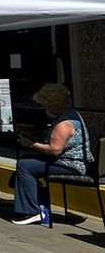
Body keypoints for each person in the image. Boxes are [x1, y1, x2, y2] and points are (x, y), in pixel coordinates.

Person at [11, 83, 93, 225]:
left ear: (54, 103)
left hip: (71, 165)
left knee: (24, 165)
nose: (44, 107)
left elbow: (54, 150)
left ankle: (31, 211)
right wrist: (33, 139)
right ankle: (30, 201)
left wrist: (31, 144)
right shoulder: (72, 115)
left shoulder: (64, 123)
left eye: (45, 104)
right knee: (26, 160)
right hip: (72, 162)